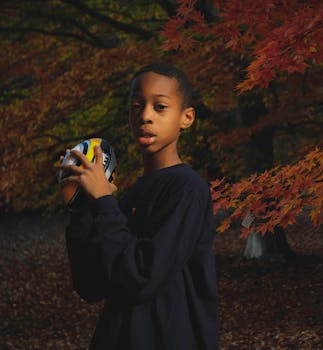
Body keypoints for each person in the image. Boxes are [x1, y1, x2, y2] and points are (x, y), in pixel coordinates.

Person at [61, 63, 219, 349]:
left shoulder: (188, 189)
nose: (145, 116)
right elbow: (91, 285)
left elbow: (142, 276)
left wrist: (105, 202)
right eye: (136, 105)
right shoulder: (130, 194)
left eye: (160, 107)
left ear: (187, 117)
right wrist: (81, 208)